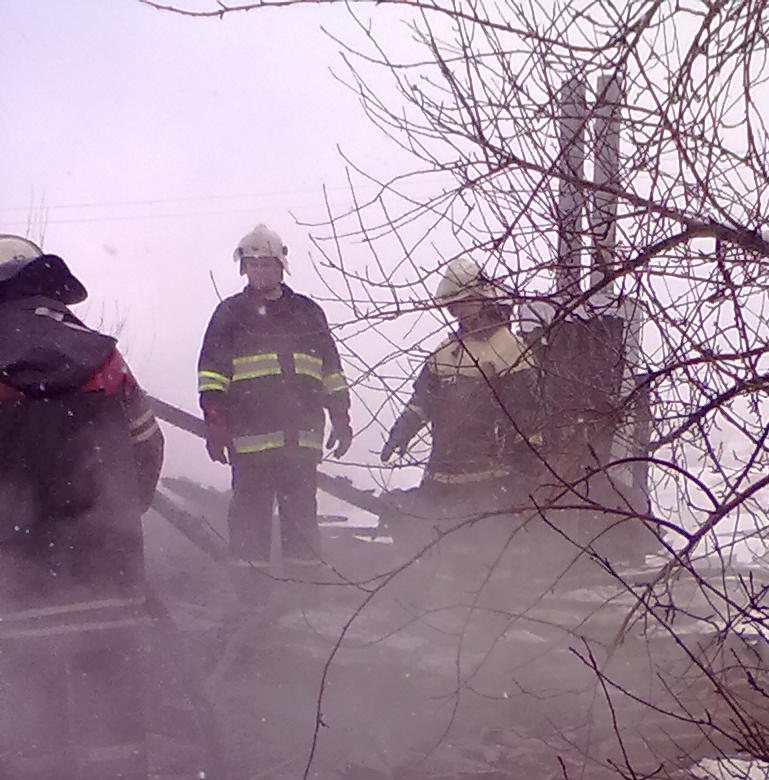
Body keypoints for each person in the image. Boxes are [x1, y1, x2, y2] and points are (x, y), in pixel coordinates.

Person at [0, 234, 163, 780]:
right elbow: (147, 446)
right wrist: (116, 516)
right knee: (114, 709)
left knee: (33, 711)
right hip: (106, 573)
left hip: (16, 583)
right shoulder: (104, 358)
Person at [198, 225, 352, 591]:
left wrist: (340, 416)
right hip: (250, 442)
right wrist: (215, 421)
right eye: (254, 265)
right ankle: (251, 598)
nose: (261, 272)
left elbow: (331, 370)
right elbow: (212, 374)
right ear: (244, 269)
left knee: (301, 521)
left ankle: (305, 596)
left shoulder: (308, 313)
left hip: (301, 441)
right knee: (249, 522)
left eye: (267, 264)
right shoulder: (230, 314)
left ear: (281, 266)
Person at [380, 255, 540, 506]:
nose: (453, 312)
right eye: (450, 306)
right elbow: (424, 400)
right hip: (440, 480)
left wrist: (525, 470)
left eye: (458, 304)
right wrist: (404, 427)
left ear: (479, 298)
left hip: (489, 483)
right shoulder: (446, 352)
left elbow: (527, 416)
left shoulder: (510, 350)